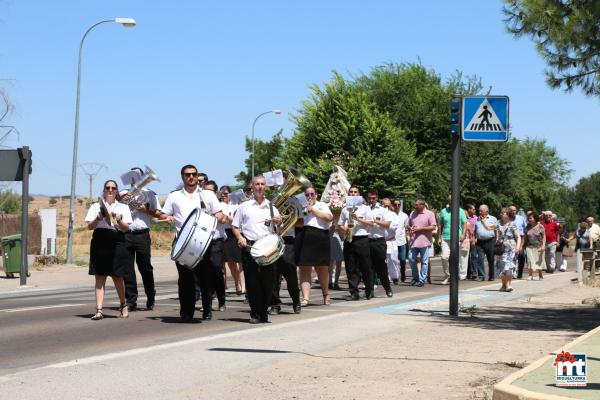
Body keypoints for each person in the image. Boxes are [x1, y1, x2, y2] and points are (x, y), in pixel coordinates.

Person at [158, 165, 226, 323]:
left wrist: (219, 216)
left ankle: (207, 309)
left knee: (205, 278)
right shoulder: (174, 196)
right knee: (185, 279)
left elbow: (219, 213)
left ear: (197, 177)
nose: (191, 177)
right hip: (182, 242)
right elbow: (163, 213)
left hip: (203, 241)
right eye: (188, 174)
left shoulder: (207, 195)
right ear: (182, 177)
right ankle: (186, 311)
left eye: (194, 174)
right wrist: (167, 217)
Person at [231, 175, 281, 324]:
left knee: (269, 281)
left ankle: (263, 309)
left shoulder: (272, 207)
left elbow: (278, 230)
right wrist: (240, 238)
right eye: (257, 184)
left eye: (262, 184)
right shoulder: (244, 206)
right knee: (252, 282)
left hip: (267, 248)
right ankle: (255, 313)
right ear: (252, 187)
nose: (259, 187)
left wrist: (279, 222)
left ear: (265, 187)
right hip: (250, 246)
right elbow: (235, 226)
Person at [85, 180, 133, 320]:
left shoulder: (123, 207)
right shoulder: (95, 206)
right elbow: (90, 226)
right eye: (108, 188)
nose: (110, 190)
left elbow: (126, 228)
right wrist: (98, 218)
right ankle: (99, 310)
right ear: (104, 190)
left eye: (113, 188)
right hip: (100, 239)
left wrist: (118, 220)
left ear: (117, 191)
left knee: (117, 276)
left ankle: (123, 304)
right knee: (100, 276)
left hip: (117, 239)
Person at [121, 167, 161, 312]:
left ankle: (151, 295)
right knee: (127, 269)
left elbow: (158, 213)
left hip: (142, 234)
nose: (135, 178)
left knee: (145, 268)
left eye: (139, 175)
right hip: (126, 233)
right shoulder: (123, 194)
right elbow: (115, 210)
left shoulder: (150, 194)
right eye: (133, 175)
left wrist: (146, 210)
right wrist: (122, 200)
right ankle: (131, 300)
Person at [297, 186, 333, 305]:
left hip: (320, 236)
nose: (309, 197)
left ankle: (326, 294)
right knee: (304, 268)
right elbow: (298, 223)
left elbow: (329, 218)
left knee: (321, 268)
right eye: (307, 195)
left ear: (316, 195)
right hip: (305, 236)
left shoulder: (322, 205)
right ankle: (305, 298)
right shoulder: (301, 207)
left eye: (312, 194)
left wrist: (312, 209)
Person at [338, 185, 374, 300]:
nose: (353, 194)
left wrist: (358, 219)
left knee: (365, 266)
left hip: (361, 239)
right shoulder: (344, 209)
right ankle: (354, 292)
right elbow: (339, 224)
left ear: (359, 194)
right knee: (350, 266)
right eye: (351, 192)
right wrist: (345, 230)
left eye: (355, 192)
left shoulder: (365, 208)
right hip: (349, 239)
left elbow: (371, 223)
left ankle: (369, 288)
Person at [202, 180, 228, 314]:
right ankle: (207, 301)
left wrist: (215, 215)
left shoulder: (222, 205)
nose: (208, 193)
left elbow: (224, 218)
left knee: (217, 270)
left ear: (215, 193)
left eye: (211, 191)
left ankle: (222, 299)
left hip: (216, 241)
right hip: (202, 241)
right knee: (205, 273)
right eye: (205, 190)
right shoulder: (201, 204)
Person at [366, 190, 394, 297]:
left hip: (379, 241)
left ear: (377, 198)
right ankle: (370, 291)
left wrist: (376, 222)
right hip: (367, 240)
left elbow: (387, 224)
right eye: (369, 198)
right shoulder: (365, 209)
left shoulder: (382, 210)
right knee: (368, 267)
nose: (371, 200)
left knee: (381, 266)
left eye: (373, 198)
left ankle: (387, 288)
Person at [220, 185, 245, 296]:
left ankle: (239, 283)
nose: (225, 195)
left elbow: (238, 220)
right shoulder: (219, 205)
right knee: (228, 262)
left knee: (237, 261)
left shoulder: (235, 205)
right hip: (224, 233)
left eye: (227, 193)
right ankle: (231, 283)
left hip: (233, 233)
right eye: (223, 193)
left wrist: (230, 218)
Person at [437, 195, 468, 284]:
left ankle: (454, 276)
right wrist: (439, 237)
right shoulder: (443, 211)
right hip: (445, 237)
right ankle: (447, 275)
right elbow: (440, 225)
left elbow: (464, 223)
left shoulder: (460, 211)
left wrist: (463, 234)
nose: (451, 202)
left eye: (453, 200)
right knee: (444, 257)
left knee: (454, 258)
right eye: (450, 200)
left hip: (456, 238)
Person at [407, 199, 436, 287]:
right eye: (415, 205)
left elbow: (433, 227)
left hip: (425, 241)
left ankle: (422, 280)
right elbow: (408, 225)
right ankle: (415, 278)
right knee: (411, 259)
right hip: (414, 241)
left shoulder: (430, 214)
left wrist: (421, 228)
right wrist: (410, 228)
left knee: (424, 261)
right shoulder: (412, 213)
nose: (415, 206)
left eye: (417, 205)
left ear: (422, 205)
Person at [495, 208, 521, 291]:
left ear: (508, 215)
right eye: (501, 213)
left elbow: (518, 237)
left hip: (510, 249)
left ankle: (509, 285)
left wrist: (517, 247)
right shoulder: (499, 225)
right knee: (501, 267)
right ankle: (503, 285)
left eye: (504, 213)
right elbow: (497, 237)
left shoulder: (512, 224)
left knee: (509, 266)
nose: (502, 214)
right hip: (501, 249)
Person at [473, 204, 498, 281]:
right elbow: (475, 230)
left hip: (490, 241)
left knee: (491, 259)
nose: (480, 212)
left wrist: (497, 239)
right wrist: (474, 239)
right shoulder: (477, 219)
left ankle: (491, 276)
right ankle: (481, 276)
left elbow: (496, 230)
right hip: (480, 242)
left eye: (481, 211)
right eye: (479, 211)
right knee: (480, 259)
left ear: (487, 211)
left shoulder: (493, 219)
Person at [524, 211, 546, 280]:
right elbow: (525, 236)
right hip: (529, 246)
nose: (529, 219)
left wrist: (543, 246)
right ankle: (530, 275)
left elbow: (544, 236)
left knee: (539, 261)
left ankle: (540, 274)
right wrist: (523, 245)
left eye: (531, 218)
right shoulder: (528, 226)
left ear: (535, 218)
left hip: (538, 246)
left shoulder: (540, 226)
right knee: (530, 261)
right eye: (529, 218)